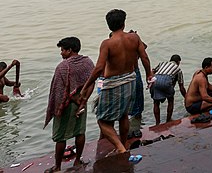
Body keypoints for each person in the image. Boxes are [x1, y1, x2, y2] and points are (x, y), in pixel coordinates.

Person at [77, 9, 152, 155]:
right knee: (124, 115)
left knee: (102, 120)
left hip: (113, 83)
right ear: (124, 23)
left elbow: (99, 68)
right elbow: (144, 57)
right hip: (130, 79)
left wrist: (86, 86)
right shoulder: (135, 38)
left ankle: (121, 148)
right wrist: (149, 74)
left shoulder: (107, 43)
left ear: (108, 26)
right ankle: (123, 145)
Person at [43, 37, 94, 173]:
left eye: (62, 50)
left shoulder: (63, 67)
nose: (61, 53)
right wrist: (83, 101)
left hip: (67, 105)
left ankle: (57, 167)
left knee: (60, 136)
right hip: (81, 103)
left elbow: (60, 92)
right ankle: (77, 161)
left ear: (70, 50)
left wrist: (71, 101)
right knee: (80, 131)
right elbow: (91, 82)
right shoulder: (88, 62)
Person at [149, 54, 187, 125]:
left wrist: (152, 79)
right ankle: (168, 120)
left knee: (156, 102)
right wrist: (186, 97)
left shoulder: (162, 63)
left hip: (155, 80)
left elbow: (152, 71)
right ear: (178, 62)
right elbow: (181, 86)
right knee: (170, 100)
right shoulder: (178, 69)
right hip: (166, 81)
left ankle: (157, 123)